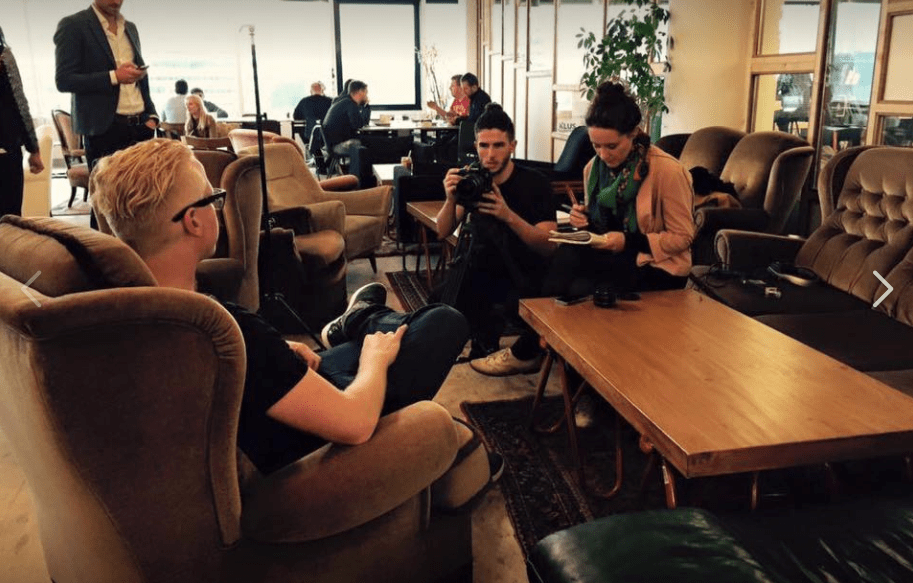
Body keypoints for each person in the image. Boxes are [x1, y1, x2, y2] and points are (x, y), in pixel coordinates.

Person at [90, 137, 502, 480]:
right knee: (443, 322)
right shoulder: (219, 330)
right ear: (194, 222)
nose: (218, 208)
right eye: (213, 199)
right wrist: (374, 363)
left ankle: (359, 322)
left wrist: (279, 353)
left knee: (374, 341)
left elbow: (255, 374)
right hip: (309, 436)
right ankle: (363, 320)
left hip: (282, 402)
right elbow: (354, 423)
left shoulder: (135, 307)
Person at [546, 81, 694, 304]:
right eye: (596, 145)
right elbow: (601, 229)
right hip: (614, 255)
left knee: (582, 286)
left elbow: (683, 237)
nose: (603, 155)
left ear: (633, 132)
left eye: (612, 146)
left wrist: (627, 241)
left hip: (656, 264)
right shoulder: (592, 169)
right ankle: (537, 322)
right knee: (562, 260)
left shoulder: (668, 171)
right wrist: (583, 220)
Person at [436, 103, 557, 376]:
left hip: (521, 270)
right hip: (478, 267)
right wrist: (450, 199)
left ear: (513, 145)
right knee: (438, 306)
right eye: (484, 146)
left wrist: (507, 215)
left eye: (499, 145)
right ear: (475, 145)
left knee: (504, 302)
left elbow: (548, 247)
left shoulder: (535, 183)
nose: (490, 155)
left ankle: (503, 341)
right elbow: (442, 231)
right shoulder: (472, 177)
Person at [55, 0, 158, 228]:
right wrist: (114, 76)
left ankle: (136, 251)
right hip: (105, 129)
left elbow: (141, 78)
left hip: (141, 127)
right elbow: (64, 80)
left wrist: (152, 116)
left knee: (140, 203)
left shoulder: (130, 28)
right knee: (105, 207)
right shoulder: (73, 25)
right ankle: (103, 251)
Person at [0, 26, 44, 218]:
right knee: (9, 218)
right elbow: (19, 104)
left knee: (9, 217)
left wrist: (33, 148)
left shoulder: (4, 56)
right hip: (6, 148)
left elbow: (19, 104)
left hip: (7, 148)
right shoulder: (4, 56)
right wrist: (33, 149)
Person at [322, 79, 370, 156]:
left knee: (373, 141)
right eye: (366, 92)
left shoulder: (344, 102)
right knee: (376, 143)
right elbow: (358, 125)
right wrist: (366, 106)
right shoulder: (350, 104)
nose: (366, 95)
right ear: (360, 92)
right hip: (339, 146)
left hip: (332, 144)